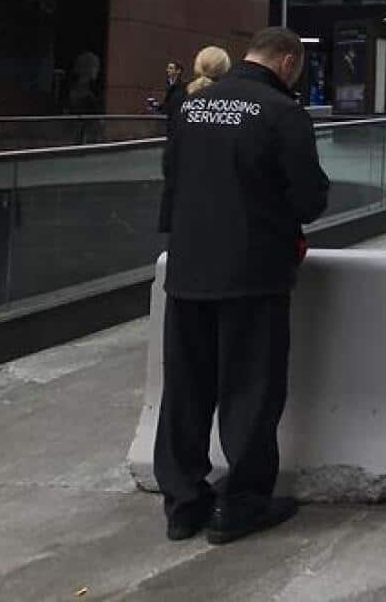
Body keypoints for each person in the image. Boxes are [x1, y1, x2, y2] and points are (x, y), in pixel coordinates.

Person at [155, 27, 329, 545]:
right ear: (289, 61)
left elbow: (171, 180)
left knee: (185, 389)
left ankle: (183, 505)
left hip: (188, 269)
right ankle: (243, 504)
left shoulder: (190, 108)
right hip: (252, 272)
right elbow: (308, 200)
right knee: (249, 389)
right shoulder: (282, 113)